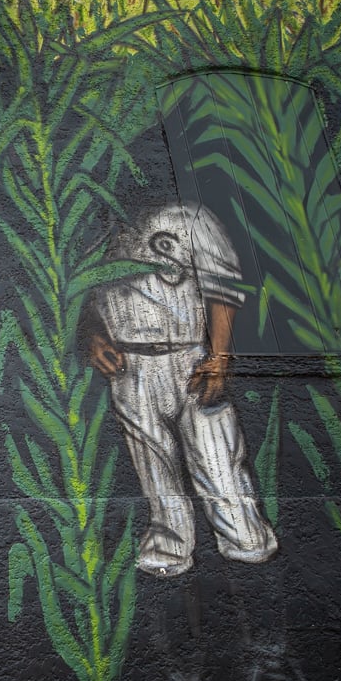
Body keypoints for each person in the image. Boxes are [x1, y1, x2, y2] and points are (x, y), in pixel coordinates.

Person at [84, 202, 277, 576]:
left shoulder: (190, 216)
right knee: (153, 465)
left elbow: (223, 288)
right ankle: (170, 550)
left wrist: (219, 357)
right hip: (129, 361)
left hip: (190, 354)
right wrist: (92, 336)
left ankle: (247, 544)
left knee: (217, 458)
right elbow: (86, 299)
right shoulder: (97, 225)